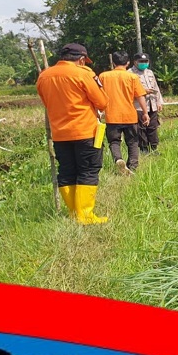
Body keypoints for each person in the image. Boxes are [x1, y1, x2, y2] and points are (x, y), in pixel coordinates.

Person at [36, 43, 108, 224]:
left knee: (67, 172)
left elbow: (47, 103)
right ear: (82, 59)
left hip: (59, 134)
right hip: (85, 131)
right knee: (88, 171)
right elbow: (102, 102)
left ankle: (73, 214)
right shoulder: (84, 74)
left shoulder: (43, 76)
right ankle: (85, 216)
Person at [100, 52, 149, 176]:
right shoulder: (132, 77)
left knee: (114, 142)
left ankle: (118, 159)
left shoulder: (103, 76)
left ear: (113, 63)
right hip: (129, 116)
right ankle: (133, 166)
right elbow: (140, 96)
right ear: (128, 63)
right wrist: (145, 113)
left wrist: (99, 112)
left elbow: (97, 96)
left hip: (111, 116)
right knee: (133, 141)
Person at [129, 53, 164, 152]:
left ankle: (153, 148)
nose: (144, 63)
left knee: (153, 127)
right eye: (141, 61)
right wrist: (144, 91)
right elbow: (130, 90)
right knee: (141, 128)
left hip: (152, 104)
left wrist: (159, 102)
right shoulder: (130, 73)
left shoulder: (149, 72)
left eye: (146, 61)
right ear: (135, 62)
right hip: (138, 106)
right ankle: (144, 149)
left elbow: (155, 87)